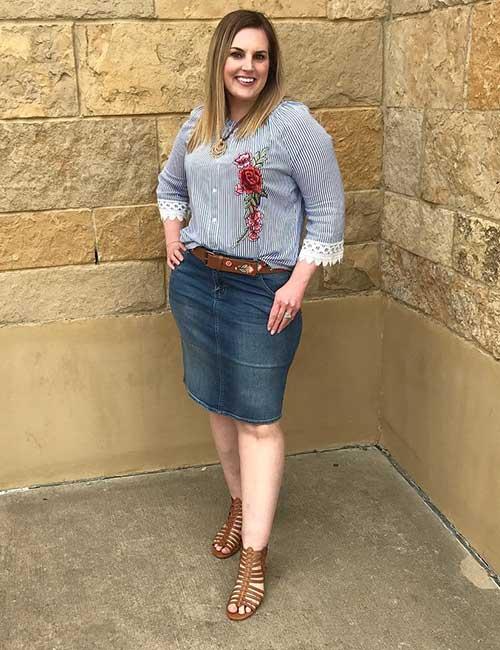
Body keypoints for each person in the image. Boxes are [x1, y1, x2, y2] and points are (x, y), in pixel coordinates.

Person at [156, 9, 345, 621]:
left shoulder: (294, 127)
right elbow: (170, 187)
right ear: (219, 59)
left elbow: (328, 214)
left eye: (259, 56)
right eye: (237, 54)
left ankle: (255, 558)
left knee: (258, 420)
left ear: (272, 64)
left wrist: (297, 283)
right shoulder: (200, 122)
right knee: (217, 404)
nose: (248, 66)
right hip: (196, 283)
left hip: (263, 292)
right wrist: (171, 236)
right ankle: (238, 504)